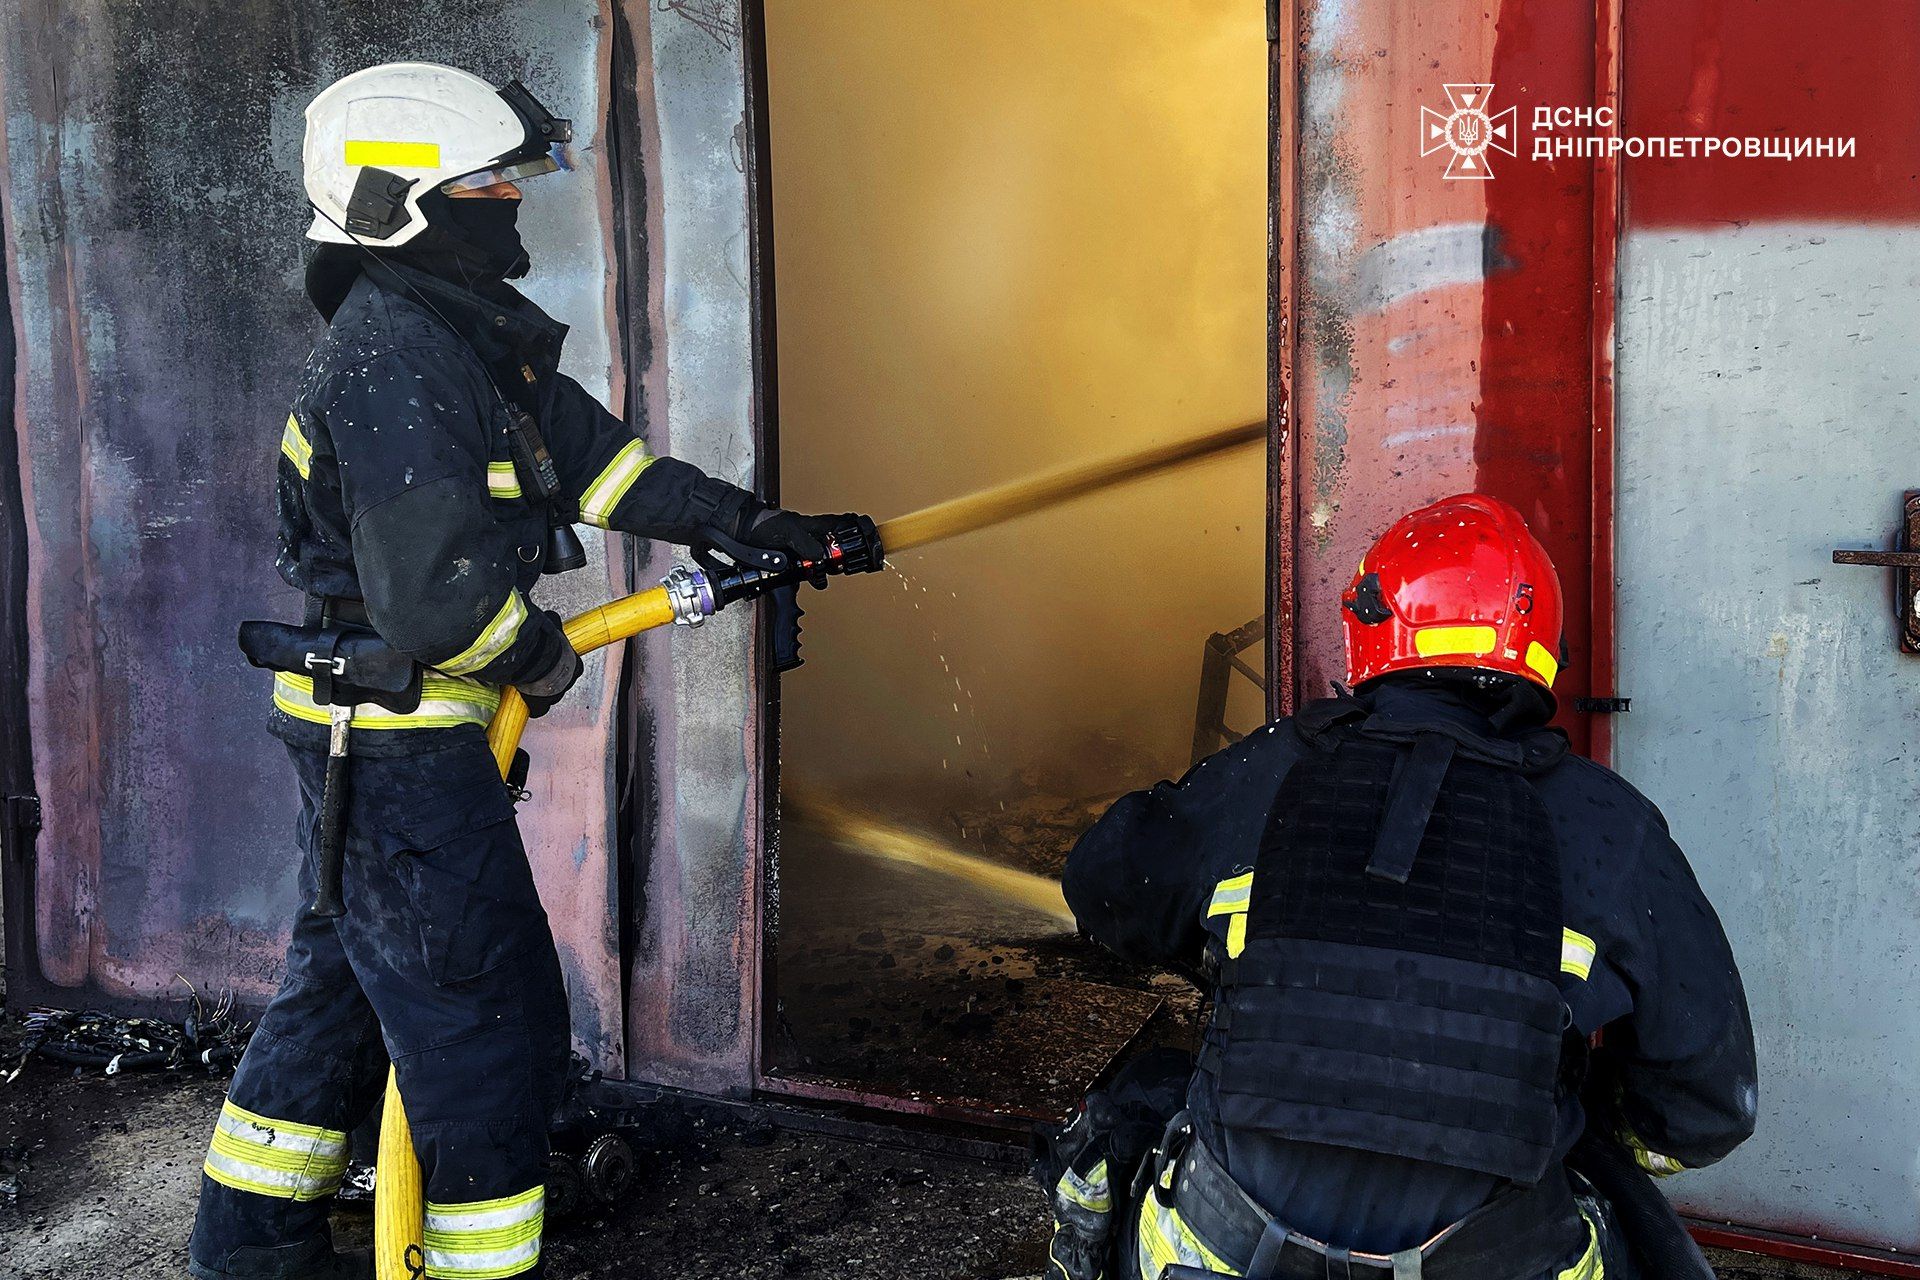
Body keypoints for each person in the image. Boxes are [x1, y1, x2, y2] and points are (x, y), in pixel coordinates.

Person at [189, 63, 868, 1280]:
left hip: (374, 732)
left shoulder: (454, 337)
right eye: (488, 182)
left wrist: (751, 525)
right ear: (405, 204)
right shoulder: (394, 355)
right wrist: (545, 657)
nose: (511, 200)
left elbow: (602, 467)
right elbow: (438, 597)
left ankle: (249, 1251)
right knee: (486, 1031)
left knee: (341, 994)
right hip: (396, 740)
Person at [1047, 493, 1757, 1280]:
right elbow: (1706, 1107)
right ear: (1534, 645)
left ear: (1372, 625)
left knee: (1136, 1104)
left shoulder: (1273, 770)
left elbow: (1104, 884)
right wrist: (1563, 1113)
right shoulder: (1608, 827)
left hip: (1219, 1258)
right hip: (1503, 1260)